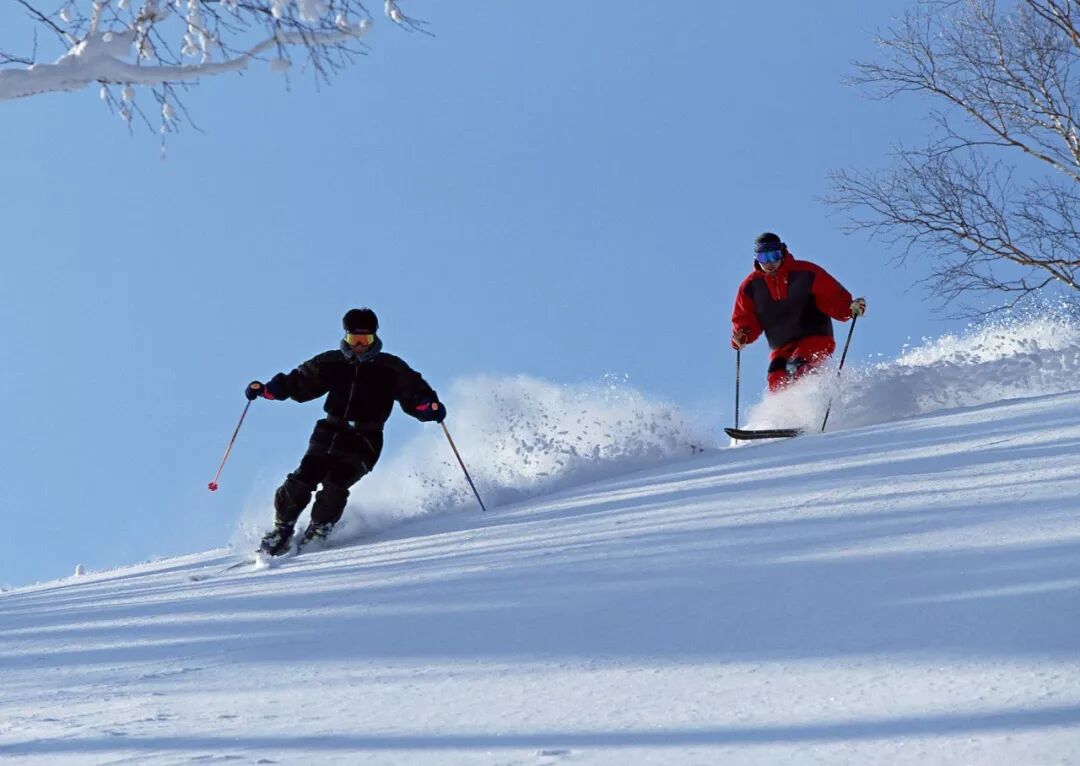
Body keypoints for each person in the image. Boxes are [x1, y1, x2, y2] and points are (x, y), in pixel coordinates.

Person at [245, 307, 445, 556]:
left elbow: (414, 394)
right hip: (330, 430)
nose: (360, 346)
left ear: (375, 338)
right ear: (346, 336)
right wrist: (268, 390)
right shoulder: (332, 363)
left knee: (335, 483)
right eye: (354, 340)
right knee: (303, 477)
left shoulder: (390, 368)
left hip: (366, 439)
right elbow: (299, 383)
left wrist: (428, 407)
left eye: (365, 340)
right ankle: (282, 528)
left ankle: (319, 528)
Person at [731, 232, 866, 391]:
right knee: (776, 376)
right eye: (764, 258)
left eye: (774, 256)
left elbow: (832, 297)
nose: (769, 263)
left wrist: (849, 308)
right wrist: (742, 335)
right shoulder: (750, 287)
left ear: (782, 253)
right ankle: (786, 412)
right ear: (756, 258)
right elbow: (746, 318)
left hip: (815, 337)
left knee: (799, 366)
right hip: (782, 346)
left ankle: (816, 401)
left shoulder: (806, 272)